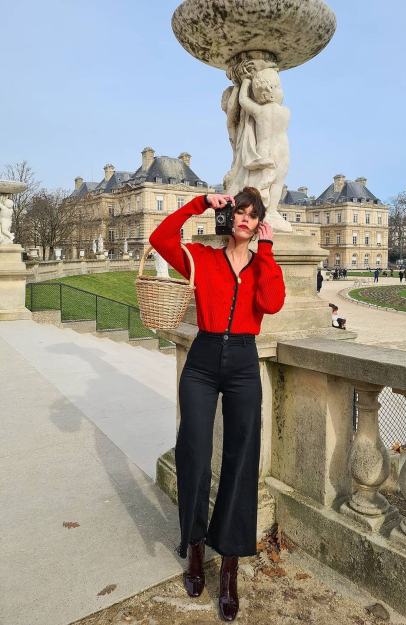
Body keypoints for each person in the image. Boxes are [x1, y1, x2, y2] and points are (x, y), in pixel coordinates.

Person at [149, 187, 285, 622]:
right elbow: (160, 239)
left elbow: (272, 302)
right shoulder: (203, 258)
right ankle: (193, 547)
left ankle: (228, 567)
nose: (243, 219)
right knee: (194, 453)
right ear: (230, 219)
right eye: (238, 213)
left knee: (241, 459)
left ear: (258, 223)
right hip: (204, 360)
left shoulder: (263, 261)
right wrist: (201, 203)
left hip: (244, 360)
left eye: (251, 215)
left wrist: (265, 252)